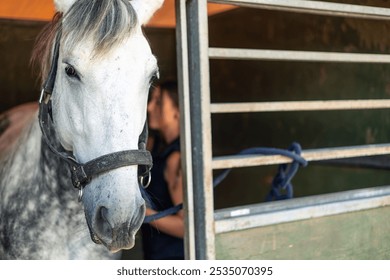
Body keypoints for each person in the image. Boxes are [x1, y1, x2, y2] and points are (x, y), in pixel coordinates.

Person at [141, 80, 184, 260]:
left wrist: (141, 212)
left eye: (158, 102)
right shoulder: (156, 146)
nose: (150, 107)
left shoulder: (177, 159)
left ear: (177, 112)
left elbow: (185, 227)